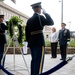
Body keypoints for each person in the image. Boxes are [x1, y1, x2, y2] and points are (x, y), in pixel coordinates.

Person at [25, 2, 54, 75]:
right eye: (40, 8)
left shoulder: (29, 19)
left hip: (32, 42)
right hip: (39, 42)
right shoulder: (40, 17)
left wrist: (29, 42)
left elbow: (27, 33)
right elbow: (51, 22)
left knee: (34, 60)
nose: (41, 10)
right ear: (38, 8)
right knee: (39, 61)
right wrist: (46, 14)